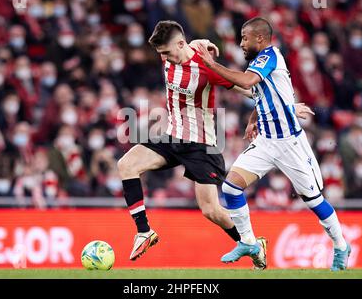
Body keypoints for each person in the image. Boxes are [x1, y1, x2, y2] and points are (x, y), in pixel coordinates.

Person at [117, 20, 314, 268]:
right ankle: (144, 232)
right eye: (161, 54)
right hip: (172, 136)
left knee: (211, 210)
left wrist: (289, 107)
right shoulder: (172, 53)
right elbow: (183, 44)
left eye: (167, 52)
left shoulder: (206, 67)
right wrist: (197, 43)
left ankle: (252, 244)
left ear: (179, 44)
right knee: (126, 165)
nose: (165, 58)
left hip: (202, 145)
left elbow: (251, 92)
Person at [196, 17, 351, 271]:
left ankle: (341, 245)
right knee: (231, 188)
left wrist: (212, 64)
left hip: (290, 143)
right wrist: (252, 120)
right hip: (267, 141)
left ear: (260, 38)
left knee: (313, 200)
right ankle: (249, 242)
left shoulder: (269, 56)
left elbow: (246, 82)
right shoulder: (261, 63)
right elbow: (262, 95)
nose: (241, 43)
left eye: (245, 38)